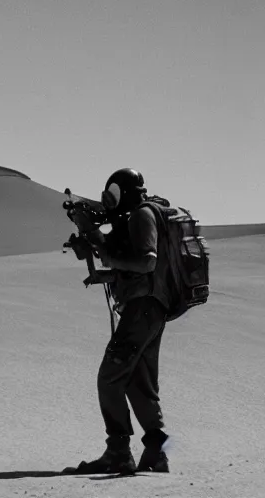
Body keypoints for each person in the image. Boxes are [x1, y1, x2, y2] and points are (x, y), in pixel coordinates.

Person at [69, 168, 172, 475]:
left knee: (110, 377)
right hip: (147, 310)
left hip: (143, 310)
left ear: (124, 191)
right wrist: (94, 253)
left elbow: (147, 261)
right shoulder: (131, 219)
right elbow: (128, 265)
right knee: (139, 384)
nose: (109, 201)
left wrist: (108, 257)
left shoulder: (141, 216)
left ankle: (118, 452)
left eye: (113, 193)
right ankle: (156, 453)